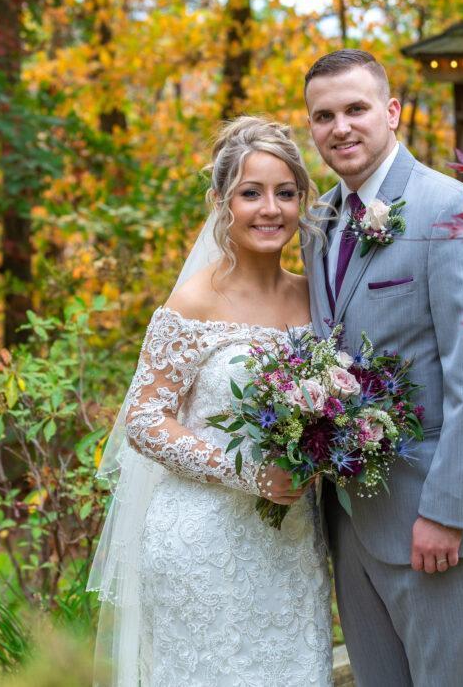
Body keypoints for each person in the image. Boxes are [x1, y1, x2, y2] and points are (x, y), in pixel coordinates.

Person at [88, 116, 333, 686]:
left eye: (285, 193)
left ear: (302, 201)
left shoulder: (314, 298)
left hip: (291, 542)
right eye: (251, 193)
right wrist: (249, 473)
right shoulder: (194, 301)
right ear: (222, 203)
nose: (270, 209)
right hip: (202, 544)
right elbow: (143, 420)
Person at [302, 49, 463, 686]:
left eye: (356, 108)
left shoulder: (453, 210)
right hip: (351, 520)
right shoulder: (319, 222)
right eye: (324, 115)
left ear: (392, 111)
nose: (340, 127)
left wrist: (446, 513)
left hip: (433, 519)